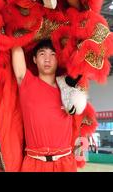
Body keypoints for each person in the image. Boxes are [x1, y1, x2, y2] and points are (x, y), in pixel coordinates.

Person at [11, 39, 85, 172]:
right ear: (34, 59)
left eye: (53, 54)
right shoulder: (26, 82)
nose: (47, 59)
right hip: (33, 163)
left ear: (58, 59)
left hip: (65, 164)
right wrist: (13, 31)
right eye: (42, 54)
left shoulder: (68, 88)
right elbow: (14, 46)